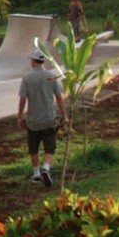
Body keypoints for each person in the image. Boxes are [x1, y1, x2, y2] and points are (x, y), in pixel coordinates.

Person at [17, 50, 68, 188]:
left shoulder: (27, 78)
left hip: (32, 121)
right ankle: (46, 167)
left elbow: (22, 100)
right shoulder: (51, 77)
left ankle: (36, 173)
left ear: (34, 61)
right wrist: (65, 116)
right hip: (48, 120)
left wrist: (20, 117)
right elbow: (59, 98)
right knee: (50, 146)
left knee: (33, 147)